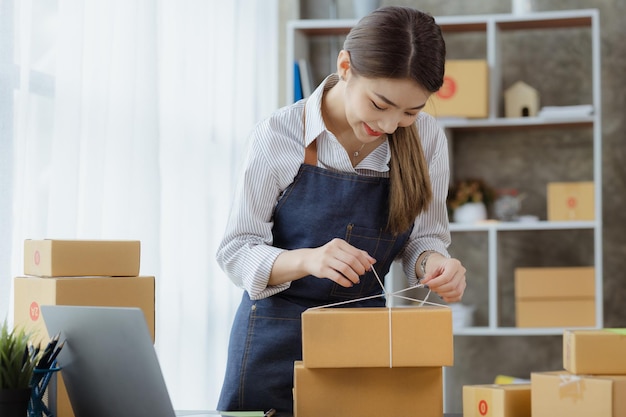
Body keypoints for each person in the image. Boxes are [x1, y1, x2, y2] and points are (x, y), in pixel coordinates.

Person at [215, 6, 466, 416]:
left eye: (410, 111)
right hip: (272, 348)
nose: (390, 125)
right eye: (380, 103)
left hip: (363, 347)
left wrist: (435, 263)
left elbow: (423, 238)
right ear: (345, 66)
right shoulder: (279, 135)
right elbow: (236, 250)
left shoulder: (426, 139)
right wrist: (309, 259)